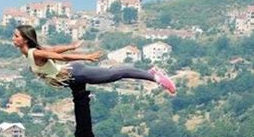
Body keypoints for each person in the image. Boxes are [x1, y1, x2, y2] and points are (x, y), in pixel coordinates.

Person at [12, 24, 176, 94]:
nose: (13, 38)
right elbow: (53, 49)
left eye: (16, 36)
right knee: (114, 74)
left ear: (25, 39)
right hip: (73, 77)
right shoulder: (28, 52)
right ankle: (149, 73)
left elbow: (60, 57)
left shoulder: (35, 53)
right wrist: (72, 46)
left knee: (116, 74)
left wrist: (86, 56)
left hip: (76, 74)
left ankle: (156, 77)